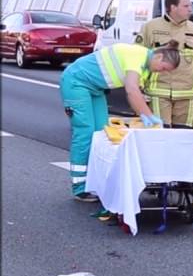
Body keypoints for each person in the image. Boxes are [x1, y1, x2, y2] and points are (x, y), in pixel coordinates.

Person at [59, 43, 180, 201]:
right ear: (159, 56)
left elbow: (137, 97)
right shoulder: (137, 56)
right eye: (163, 68)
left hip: (95, 88)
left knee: (102, 133)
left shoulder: (145, 69)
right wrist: (149, 115)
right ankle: (79, 187)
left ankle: (95, 182)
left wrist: (145, 117)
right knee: (86, 133)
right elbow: (131, 89)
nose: (161, 72)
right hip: (76, 82)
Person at [136, 0, 193, 127]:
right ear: (173, 7)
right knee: (160, 134)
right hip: (158, 95)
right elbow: (138, 58)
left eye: (190, 6)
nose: (190, 10)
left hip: (186, 97)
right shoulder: (151, 27)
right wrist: (139, 86)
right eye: (186, 6)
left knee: (184, 136)